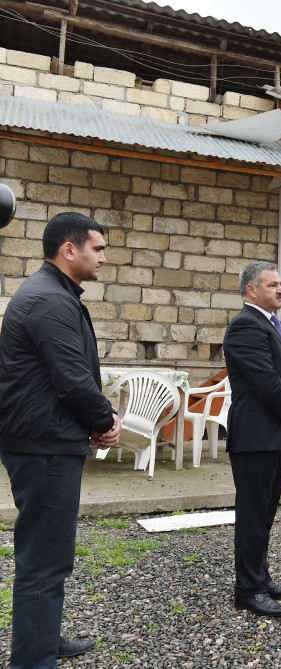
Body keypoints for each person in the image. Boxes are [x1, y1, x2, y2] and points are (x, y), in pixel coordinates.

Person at [0, 212, 122, 668]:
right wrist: (105, 420)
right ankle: (33, 659)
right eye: (97, 248)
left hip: (44, 440)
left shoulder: (52, 293)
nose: (103, 258)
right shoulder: (50, 300)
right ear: (69, 249)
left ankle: (42, 640)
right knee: (45, 560)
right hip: (45, 446)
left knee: (47, 555)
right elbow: (72, 378)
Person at [223, 261, 281, 617]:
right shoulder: (245, 325)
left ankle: (260, 578)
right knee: (253, 515)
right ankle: (247, 589)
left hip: (277, 435)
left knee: (265, 514)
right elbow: (265, 380)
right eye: (273, 284)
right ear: (251, 290)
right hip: (256, 435)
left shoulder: (279, 325)